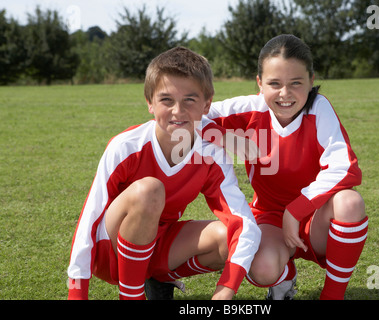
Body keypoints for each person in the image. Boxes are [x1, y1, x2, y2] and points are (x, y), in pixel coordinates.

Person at [67, 47, 261, 300]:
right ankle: (131, 294)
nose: (178, 111)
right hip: (111, 252)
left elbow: (244, 224)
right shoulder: (126, 146)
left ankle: (159, 279)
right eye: (166, 100)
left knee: (226, 238)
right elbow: (89, 218)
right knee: (149, 190)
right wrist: (77, 293)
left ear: (207, 104)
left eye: (189, 100)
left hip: (158, 246)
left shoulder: (211, 154)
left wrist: (226, 289)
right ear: (150, 102)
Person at [203, 34, 368, 300]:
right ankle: (283, 279)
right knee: (263, 268)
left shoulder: (318, 108)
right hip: (270, 216)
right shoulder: (250, 108)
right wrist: (224, 137)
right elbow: (193, 115)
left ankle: (332, 295)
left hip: (314, 217)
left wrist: (296, 209)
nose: (285, 94)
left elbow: (344, 167)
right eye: (274, 84)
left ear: (311, 80)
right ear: (259, 83)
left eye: (296, 83)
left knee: (350, 203)